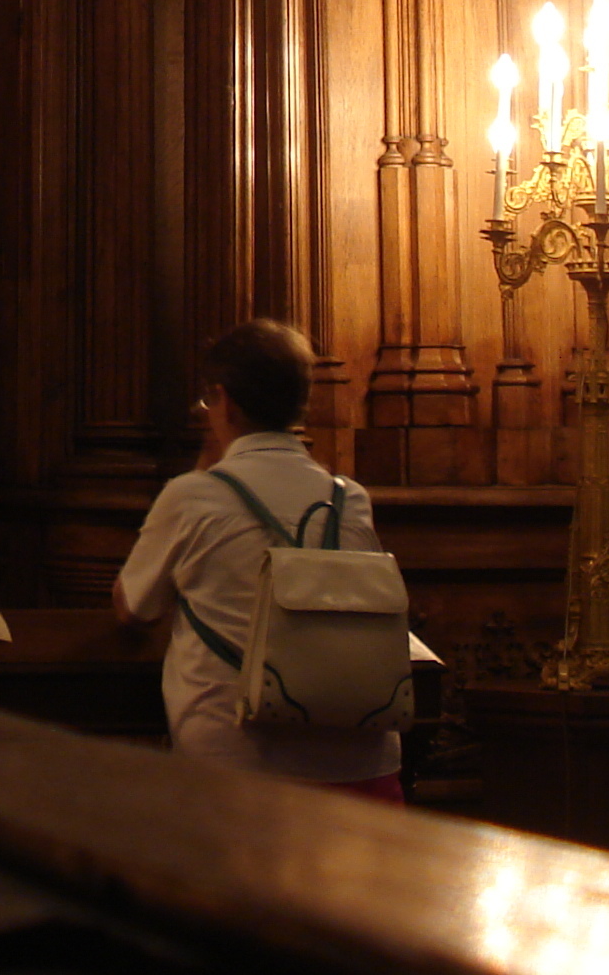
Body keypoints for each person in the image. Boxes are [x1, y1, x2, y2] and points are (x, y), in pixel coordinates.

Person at [113, 320, 405, 797]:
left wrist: (202, 470)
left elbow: (133, 608)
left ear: (224, 400)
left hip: (239, 762)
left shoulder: (194, 496)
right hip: (360, 760)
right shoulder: (348, 498)